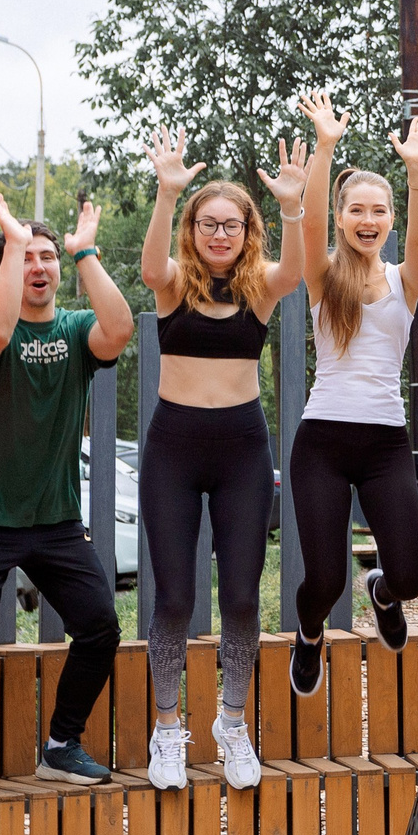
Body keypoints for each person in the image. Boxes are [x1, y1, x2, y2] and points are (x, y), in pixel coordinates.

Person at [0, 199, 134, 796]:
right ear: (5, 270)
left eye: (48, 256)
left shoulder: (75, 328)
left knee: (99, 627)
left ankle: (61, 746)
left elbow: (118, 328)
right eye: (26, 257)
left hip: (54, 521)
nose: (39, 266)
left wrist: (85, 253)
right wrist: (12, 247)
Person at [135, 127, 312, 791]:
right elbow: (151, 267)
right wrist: (166, 191)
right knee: (175, 595)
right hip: (173, 449)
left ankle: (232, 725)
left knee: (241, 595)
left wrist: (293, 207)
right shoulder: (174, 283)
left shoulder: (259, 286)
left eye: (230, 224)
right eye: (207, 222)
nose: (218, 233)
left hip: (241, 448)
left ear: (245, 230)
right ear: (193, 228)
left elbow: (295, 272)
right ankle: (168, 728)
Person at [286, 92, 418, 695]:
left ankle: (383, 592)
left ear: (391, 219)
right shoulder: (323, 276)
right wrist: (324, 147)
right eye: (358, 211)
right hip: (321, 441)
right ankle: (310, 634)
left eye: (380, 211)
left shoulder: (406, 279)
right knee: (322, 581)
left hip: (383, 444)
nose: (368, 220)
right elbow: (312, 218)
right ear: (345, 218)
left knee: (411, 575)